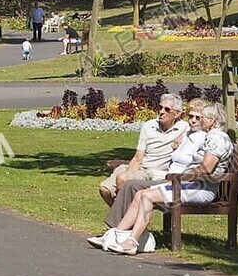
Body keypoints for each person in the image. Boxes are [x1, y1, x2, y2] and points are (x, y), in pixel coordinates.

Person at [104, 102, 235, 255]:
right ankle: (116, 235)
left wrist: (180, 177)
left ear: (212, 120)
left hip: (200, 189)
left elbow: (206, 168)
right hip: (190, 185)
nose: (200, 121)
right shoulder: (212, 137)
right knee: (140, 194)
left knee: (146, 196)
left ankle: (132, 242)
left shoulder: (217, 139)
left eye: (203, 118)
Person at [88, 99, 208, 249]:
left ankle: (126, 236)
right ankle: (119, 233)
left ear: (177, 114)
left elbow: (204, 167)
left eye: (197, 118)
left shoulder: (198, 135)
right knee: (111, 186)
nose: (193, 121)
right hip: (160, 175)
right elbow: (139, 157)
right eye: (191, 117)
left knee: (132, 186)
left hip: (173, 180)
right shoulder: (182, 132)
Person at [97, 94, 189, 207]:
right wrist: (129, 173)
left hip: (155, 174)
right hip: (140, 169)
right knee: (104, 189)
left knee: (122, 179)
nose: (161, 111)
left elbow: (203, 126)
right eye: (160, 107)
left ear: (177, 113)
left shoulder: (185, 128)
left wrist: (183, 137)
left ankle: (123, 221)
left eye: (167, 109)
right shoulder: (149, 126)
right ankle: (124, 218)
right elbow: (138, 157)